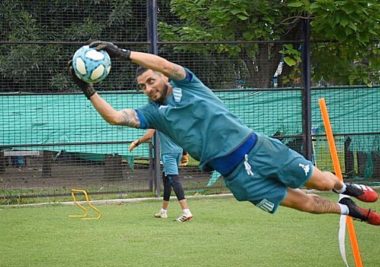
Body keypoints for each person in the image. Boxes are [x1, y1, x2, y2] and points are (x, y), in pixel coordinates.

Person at [68, 41, 380, 226]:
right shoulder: (153, 114)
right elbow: (114, 117)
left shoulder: (190, 85)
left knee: (323, 182)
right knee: (307, 204)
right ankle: (352, 211)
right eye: (143, 86)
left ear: (162, 77)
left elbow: (163, 62)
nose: (148, 88)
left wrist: (122, 53)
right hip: (239, 178)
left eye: (151, 81)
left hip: (259, 149)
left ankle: (347, 187)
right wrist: (87, 88)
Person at [129, 129, 192, 222]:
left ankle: (186, 212)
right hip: (178, 151)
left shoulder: (155, 117)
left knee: (174, 180)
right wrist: (184, 153)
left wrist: (136, 142)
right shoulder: (172, 115)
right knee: (166, 179)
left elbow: (149, 135)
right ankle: (163, 211)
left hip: (169, 153)